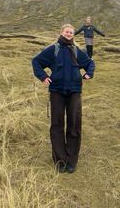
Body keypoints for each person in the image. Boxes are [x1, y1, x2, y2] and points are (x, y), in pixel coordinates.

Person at [32, 24, 95, 174]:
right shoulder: (54, 49)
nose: (68, 34)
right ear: (61, 32)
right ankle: (60, 161)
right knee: (57, 125)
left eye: (71, 32)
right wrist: (43, 77)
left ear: (73, 35)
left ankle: (71, 161)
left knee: (74, 125)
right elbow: (36, 62)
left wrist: (89, 73)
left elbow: (89, 63)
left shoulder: (76, 50)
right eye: (66, 32)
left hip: (74, 91)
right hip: (57, 91)